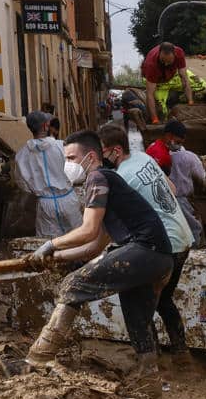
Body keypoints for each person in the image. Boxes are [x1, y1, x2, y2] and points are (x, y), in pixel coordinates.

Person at [16, 130, 175, 373]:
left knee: (73, 285)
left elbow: (88, 230)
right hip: (160, 258)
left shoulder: (97, 177)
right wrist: (54, 258)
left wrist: (51, 245)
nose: (67, 165)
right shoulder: (110, 180)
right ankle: (149, 380)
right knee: (137, 320)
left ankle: (39, 357)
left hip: (144, 250)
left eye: (71, 158)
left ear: (90, 156)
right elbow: (95, 246)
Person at [101, 124, 196, 358]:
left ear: (115, 150)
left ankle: (153, 364)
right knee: (164, 300)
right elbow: (172, 189)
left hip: (163, 245)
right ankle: (182, 355)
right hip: (183, 237)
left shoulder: (120, 178)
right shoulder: (144, 157)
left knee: (141, 306)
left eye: (102, 151)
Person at [13, 110, 82, 238]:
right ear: (46, 126)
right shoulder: (62, 146)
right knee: (78, 238)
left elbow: (21, 182)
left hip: (45, 204)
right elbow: (76, 170)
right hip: (67, 199)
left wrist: (38, 190)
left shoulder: (22, 154)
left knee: (49, 245)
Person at [165, 127, 206, 246]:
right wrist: (205, 166)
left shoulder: (158, 155)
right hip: (183, 201)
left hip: (164, 201)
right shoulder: (190, 157)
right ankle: (193, 258)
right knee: (194, 230)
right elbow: (203, 180)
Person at [143, 42, 205, 118]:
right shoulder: (151, 64)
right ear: (159, 54)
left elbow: (184, 77)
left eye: (169, 61)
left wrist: (190, 102)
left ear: (174, 55)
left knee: (201, 84)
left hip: (173, 76)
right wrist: (154, 119)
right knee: (163, 111)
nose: (165, 64)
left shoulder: (179, 53)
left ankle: (186, 98)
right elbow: (150, 94)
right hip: (158, 83)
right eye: (163, 61)